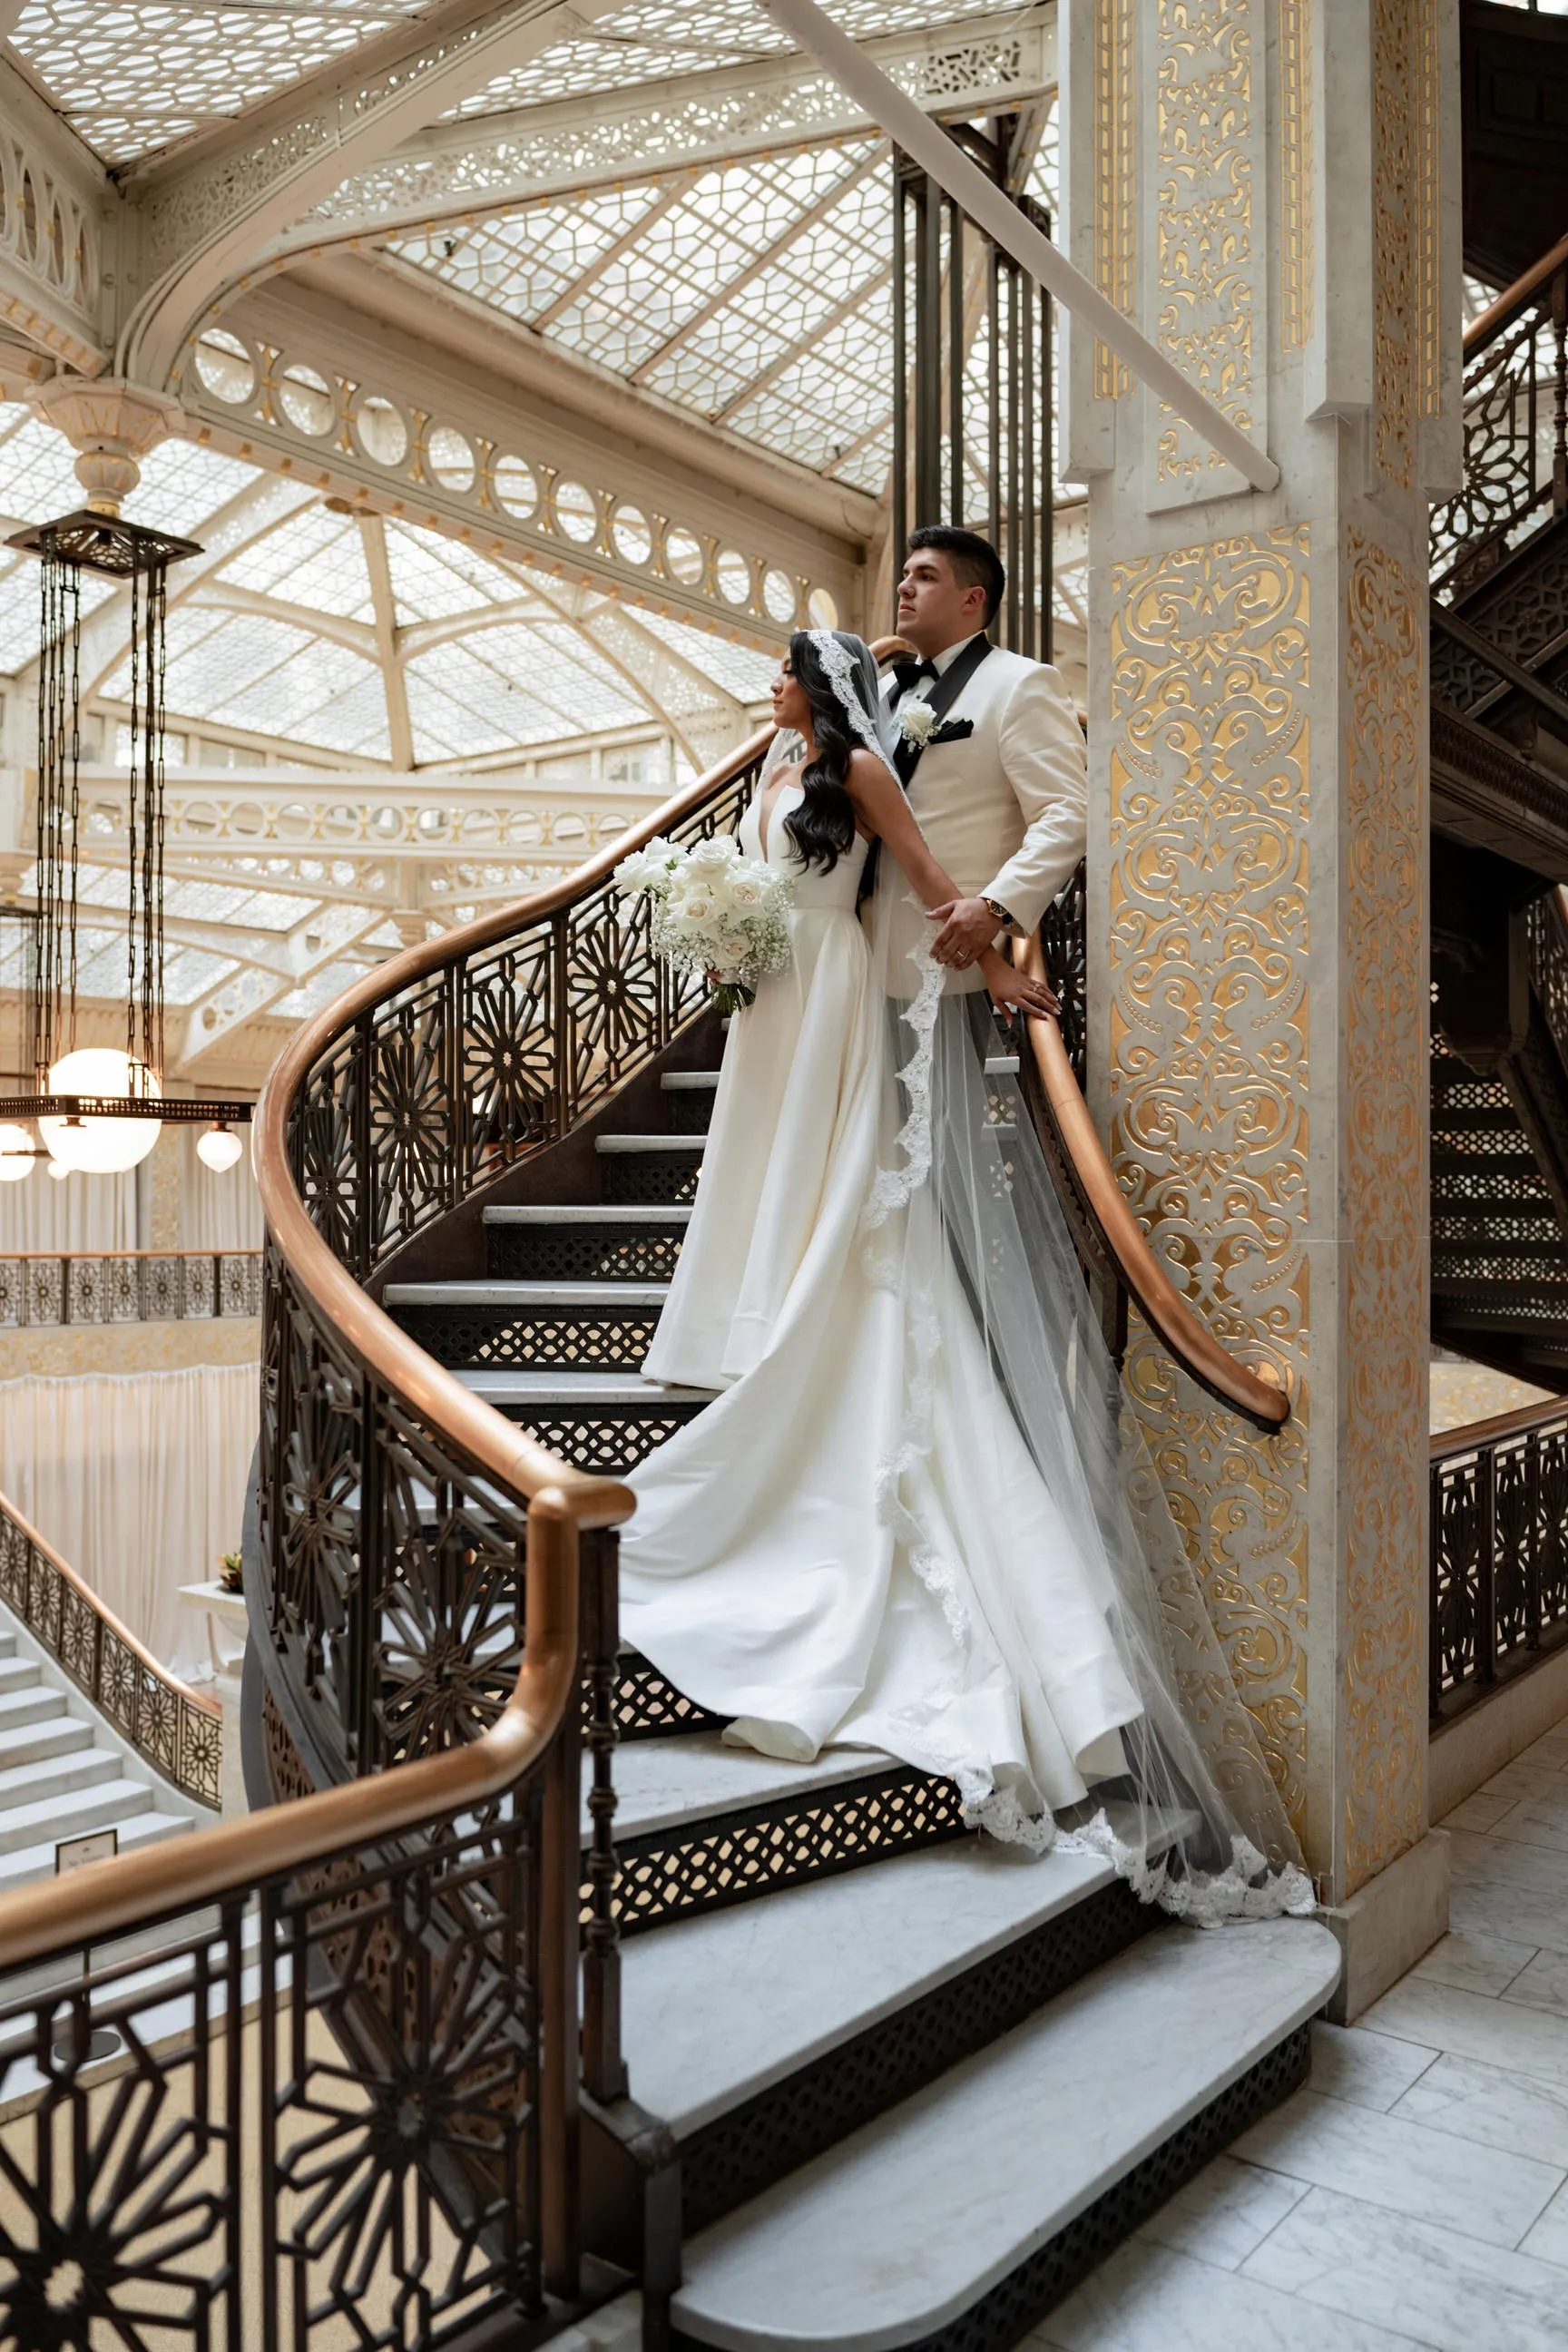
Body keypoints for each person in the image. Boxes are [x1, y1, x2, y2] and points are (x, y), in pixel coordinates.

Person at [619, 612, 1313, 1920]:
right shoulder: (770, 773)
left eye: (782, 672)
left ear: (815, 688)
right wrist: (723, 932)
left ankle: (810, 1336)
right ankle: (765, 1311)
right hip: (779, 1001)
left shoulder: (861, 772)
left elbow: (934, 876)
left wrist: (996, 954)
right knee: (775, 1177)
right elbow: (770, 877)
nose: (766, 687)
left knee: (845, 1203)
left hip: (837, 997)